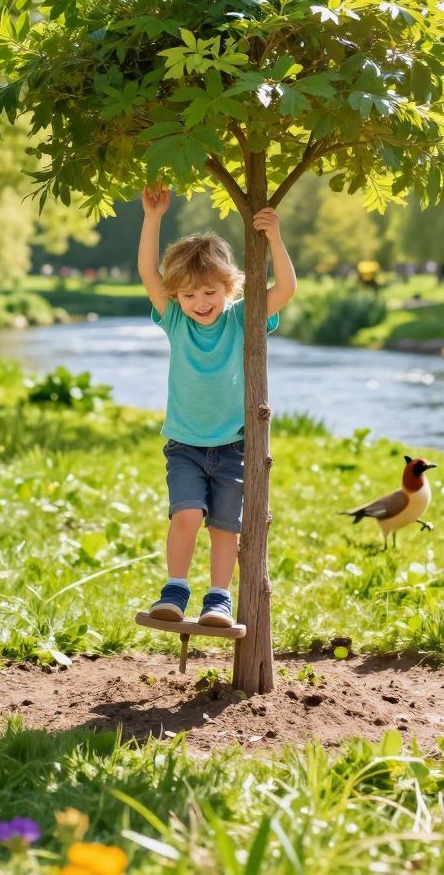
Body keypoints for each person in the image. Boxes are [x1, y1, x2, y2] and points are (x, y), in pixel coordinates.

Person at [137, 183, 295, 627]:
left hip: (233, 447)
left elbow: (285, 287)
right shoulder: (174, 320)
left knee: (227, 528)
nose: (199, 304)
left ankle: (218, 598)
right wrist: (153, 219)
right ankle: (175, 589)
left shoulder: (243, 317)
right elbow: (150, 275)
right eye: (187, 296)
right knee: (186, 513)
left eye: (208, 292)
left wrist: (275, 239)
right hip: (184, 444)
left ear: (229, 287)